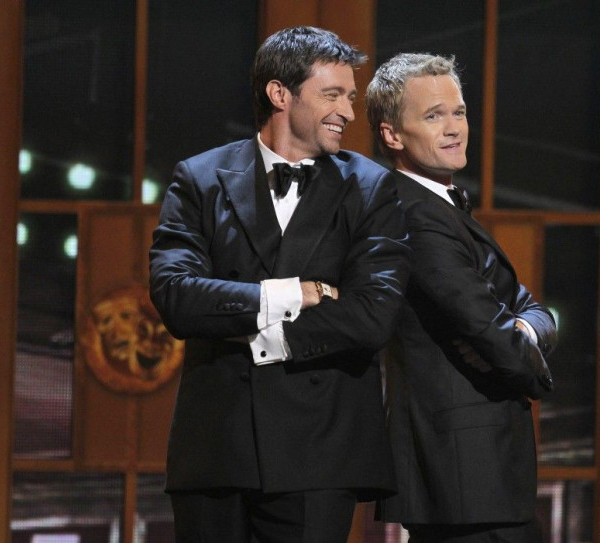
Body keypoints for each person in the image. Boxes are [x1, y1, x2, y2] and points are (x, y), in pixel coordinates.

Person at [149, 27, 411, 543]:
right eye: (332, 95)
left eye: (350, 97)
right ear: (280, 94)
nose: (349, 113)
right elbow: (176, 296)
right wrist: (293, 293)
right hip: (217, 451)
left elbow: (373, 314)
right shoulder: (200, 178)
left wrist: (252, 328)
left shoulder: (370, 187)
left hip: (320, 456)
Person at [366, 53, 557, 542]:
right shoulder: (413, 212)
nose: (454, 128)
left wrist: (521, 329)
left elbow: (533, 310)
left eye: (459, 112)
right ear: (392, 135)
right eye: (433, 116)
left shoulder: (443, 206)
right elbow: (488, 333)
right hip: (460, 476)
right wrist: (512, 340)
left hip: (477, 476)